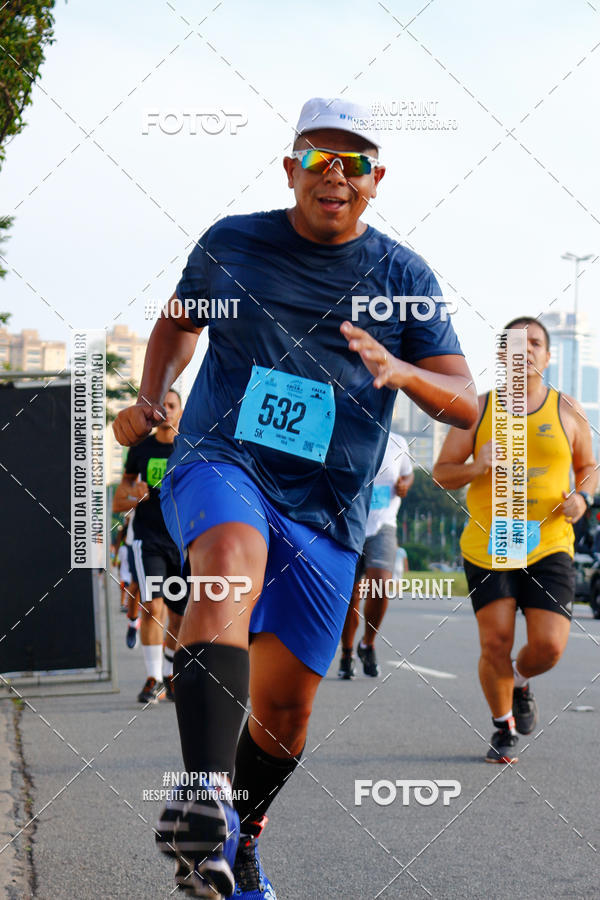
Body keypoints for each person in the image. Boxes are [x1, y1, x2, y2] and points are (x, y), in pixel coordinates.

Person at [113, 96, 477, 898]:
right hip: (224, 459)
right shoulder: (232, 244)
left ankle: (238, 835)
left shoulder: (403, 275)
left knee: (284, 718)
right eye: (319, 158)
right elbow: (179, 325)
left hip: (328, 506)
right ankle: (204, 799)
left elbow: (468, 401)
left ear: (377, 180)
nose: (335, 174)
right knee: (227, 556)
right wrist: (155, 390)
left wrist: (404, 370)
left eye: (353, 163)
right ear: (291, 169)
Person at [433, 317, 597, 764]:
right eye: (513, 346)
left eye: (535, 344)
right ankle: (503, 725)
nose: (524, 352)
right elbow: (443, 472)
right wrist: (476, 466)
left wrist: (582, 498)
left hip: (549, 541)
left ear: (548, 355)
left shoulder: (567, 408)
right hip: (492, 542)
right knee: (496, 642)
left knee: (550, 645)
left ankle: (521, 680)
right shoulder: (479, 410)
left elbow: (589, 466)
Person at [113, 389, 188, 703]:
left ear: (181, 411)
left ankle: (170, 674)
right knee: (152, 605)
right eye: (162, 407)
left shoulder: (190, 448)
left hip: (182, 541)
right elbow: (122, 492)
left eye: (172, 406)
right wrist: (135, 494)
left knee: (179, 615)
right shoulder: (141, 448)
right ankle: (152, 678)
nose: (166, 412)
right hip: (149, 537)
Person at [338, 429, 413, 678]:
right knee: (351, 596)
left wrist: (404, 485)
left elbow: (407, 475)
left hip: (384, 524)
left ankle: (367, 644)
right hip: (351, 523)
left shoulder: (398, 442)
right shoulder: (348, 432)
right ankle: (347, 654)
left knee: (381, 584)